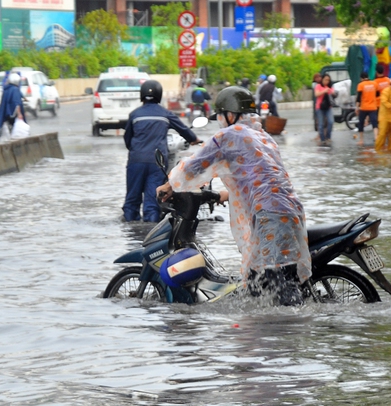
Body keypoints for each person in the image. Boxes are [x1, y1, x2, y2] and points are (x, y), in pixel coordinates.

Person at [156, 86, 312, 306]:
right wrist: (222, 194)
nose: (220, 121)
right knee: (264, 280)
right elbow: (260, 180)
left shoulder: (229, 135)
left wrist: (169, 185)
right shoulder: (262, 136)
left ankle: (291, 327)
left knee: (277, 283)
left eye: (220, 116)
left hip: (269, 216)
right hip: (289, 211)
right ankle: (267, 331)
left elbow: (195, 165)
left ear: (231, 115)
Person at [123, 80, 201, 223]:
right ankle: (150, 232)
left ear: (141, 95)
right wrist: (194, 139)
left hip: (136, 161)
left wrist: (136, 152)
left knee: (132, 201)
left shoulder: (134, 115)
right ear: (159, 95)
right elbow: (183, 129)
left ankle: (130, 234)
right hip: (156, 163)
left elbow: (127, 139)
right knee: (152, 202)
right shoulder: (165, 114)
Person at [0, 72, 26, 143]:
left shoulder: (6, 90)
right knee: (14, 132)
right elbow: (16, 102)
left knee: (3, 129)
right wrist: (19, 113)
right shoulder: (15, 90)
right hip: (12, 115)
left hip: (5, 114)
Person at [355, 72, 379, 147]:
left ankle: (361, 140)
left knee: (361, 123)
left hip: (363, 107)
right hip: (373, 107)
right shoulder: (374, 83)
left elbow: (359, 98)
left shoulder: (360, 85)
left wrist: (356, 107)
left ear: (361, 78)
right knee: (374, 123)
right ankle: (376, 137)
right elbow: (378, 94)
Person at [315, 73, 336, 146]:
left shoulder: (330, 86)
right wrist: (324, 91)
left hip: (328, 107)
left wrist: (332, 92)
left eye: (328, 80)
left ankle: (328, 137)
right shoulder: (318, 86)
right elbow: (316, 94)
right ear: (322, 79)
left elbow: (333, 93)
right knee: (321, 124)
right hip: (320, 107)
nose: (327, 81)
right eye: (325, 80)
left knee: (331, 121)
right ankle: (322, 139)